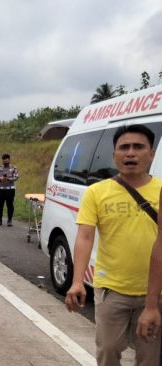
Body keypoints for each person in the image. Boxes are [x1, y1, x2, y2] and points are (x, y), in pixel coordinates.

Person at [65, 124, 162, 366]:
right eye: (124, 147)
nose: (131, 153)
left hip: (155, 292)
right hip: (111, 290)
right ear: (114, 155)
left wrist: (152, 302)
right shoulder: (96, 192)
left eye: (138, 147)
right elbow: (85, 237)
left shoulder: (160, 190)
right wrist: (77, 281)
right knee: (108, 352)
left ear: (151, 154)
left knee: (149, 358)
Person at [0, 153, 18, 227]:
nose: (5, 162)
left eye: (7, 161)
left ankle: (9, 220)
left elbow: (16, 177)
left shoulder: (14, 168)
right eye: (4, 161)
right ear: (2, 161)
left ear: (9, 160)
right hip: (1, 189)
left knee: (10, 205)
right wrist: (1, 178)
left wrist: (9, 179)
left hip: (10, 189)